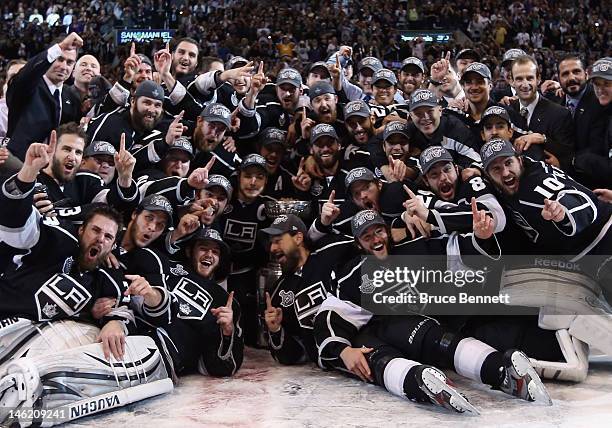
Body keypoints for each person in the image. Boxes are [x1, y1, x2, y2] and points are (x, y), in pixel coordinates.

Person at [6, 32, 83, 162]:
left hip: (54, 168)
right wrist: (60, 47)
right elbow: (27, 74)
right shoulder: (28, 84)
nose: (63, 66)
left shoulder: (71, 97)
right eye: (59, 59)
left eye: (69, 62)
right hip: (20, 164)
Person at [507, 56, 574, 171]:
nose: (525, 84)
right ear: (511, 81)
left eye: (530, 78)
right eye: (519, 79)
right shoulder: (507, 110)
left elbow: (568, 153)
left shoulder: (560, 114)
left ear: (538, 79)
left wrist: (544, 139)